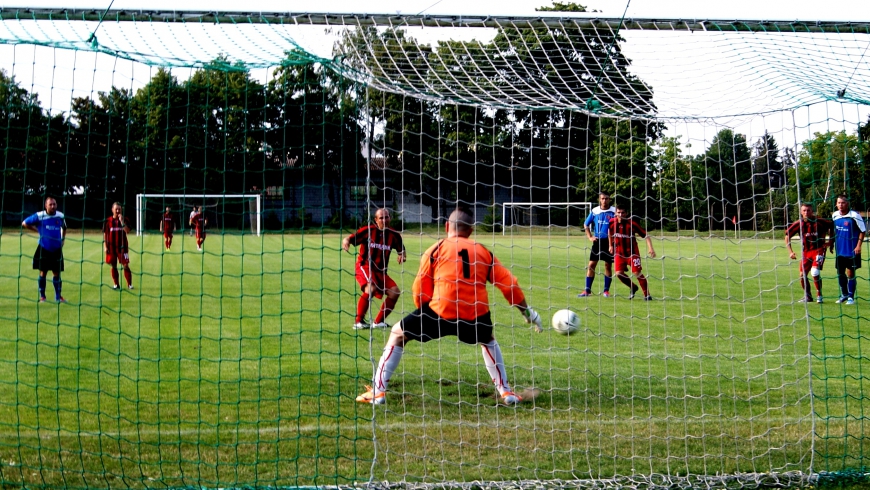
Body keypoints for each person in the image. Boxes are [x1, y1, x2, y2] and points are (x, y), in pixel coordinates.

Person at [356, 208, 543, 406]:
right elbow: (509, 285)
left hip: (439, 312)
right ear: (470, 231)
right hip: (475, 315)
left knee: (397, 334)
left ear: (447, 227)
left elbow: (419, 288)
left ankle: (378, 393)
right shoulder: (483, 251)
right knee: (487, 340)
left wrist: (422, 312)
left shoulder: (435, 249)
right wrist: (528, 313)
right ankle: (505, 392)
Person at [342, 208, 406, 329]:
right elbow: (350, 238)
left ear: (390, 218)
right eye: (381, 218)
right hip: (365, 266)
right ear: (376, 220)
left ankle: (378, 322)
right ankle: (358, 322)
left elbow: (401, 249)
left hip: (381, 271)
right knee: (370, 288)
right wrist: (346, 241)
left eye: (386, 217)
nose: (384, 220)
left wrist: (402, 254)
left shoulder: (394, 235)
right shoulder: (368, 230)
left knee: (395, 292)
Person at [22, 196, 68, 302]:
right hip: (44, 248)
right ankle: (42, 296)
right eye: (50, 204)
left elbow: (64, 228)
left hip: (56, 249)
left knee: (57, 273)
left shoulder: (60, 216)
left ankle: (58, 296)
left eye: (54, 204)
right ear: (45, 206)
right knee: (43, 272)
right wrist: (37, 230)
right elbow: (24, 223)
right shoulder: (39, 215)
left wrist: (63, 239)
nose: (53, 206)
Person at [785, 203, 834, 303]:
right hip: (806, 252)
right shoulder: (799, 223)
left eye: (808, 210)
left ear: (812, 211)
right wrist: (790, 252)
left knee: (815, 272)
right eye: (804, 210)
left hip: (819, 250)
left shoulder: (820, 221)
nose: (806, 212)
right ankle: (808, 296)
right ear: (801, 212)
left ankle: (819, 295)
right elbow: (787, 236)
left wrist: (830, 242)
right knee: (802, 275)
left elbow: (832, 226)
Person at [608, 204, 656, 300]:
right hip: (619, 253)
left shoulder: (632, 224)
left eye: (623, 213)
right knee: (618, 273)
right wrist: (610, 245)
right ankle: (633, 287)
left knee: (637, 273)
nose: (620, 214)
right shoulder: (612, 222)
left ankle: (647, 295)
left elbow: (646, 236)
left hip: (632, 253)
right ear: (615, 213)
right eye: (618, 212)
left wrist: (651, 249)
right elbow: (610, 232)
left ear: (626, 214)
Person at [579, 192, 616, 297]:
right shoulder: (595, 211)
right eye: (603, 198)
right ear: (600, 199)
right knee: (591, 265)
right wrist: (590, 236)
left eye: (606, 198)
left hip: (609, 242)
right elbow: (586, 224)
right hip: (597, 241)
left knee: (607, 265)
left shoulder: (614, 211)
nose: (604, 200)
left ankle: (606, 291)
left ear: (609, 199)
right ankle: (587, 290)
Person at [831, 194, 866, 305]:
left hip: (852, 250)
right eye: (839, 203)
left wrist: (858, 246)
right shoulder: (835, 215)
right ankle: (844, 295)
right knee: (840, 273)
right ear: (836, 204)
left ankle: (851, 297)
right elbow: (833, 231)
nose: (841, 205)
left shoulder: (854, 215)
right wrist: (831, 243)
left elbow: (862, 231)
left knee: (850, 273)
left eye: (843, 203)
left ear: (847, 203)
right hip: (840, 250)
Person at [103, 202, 134, 290]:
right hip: (111, 247)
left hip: (123, 247)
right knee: (113, 265)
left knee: (125, 265)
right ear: (112, 210)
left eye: (119, 209)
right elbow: (105, 234)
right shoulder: (108, 221)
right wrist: (105, 246)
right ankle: (116, 284)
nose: (117, 211)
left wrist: (122, 221)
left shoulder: (126, 220)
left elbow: (127, 231)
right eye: (116, 209)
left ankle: (129, 284)